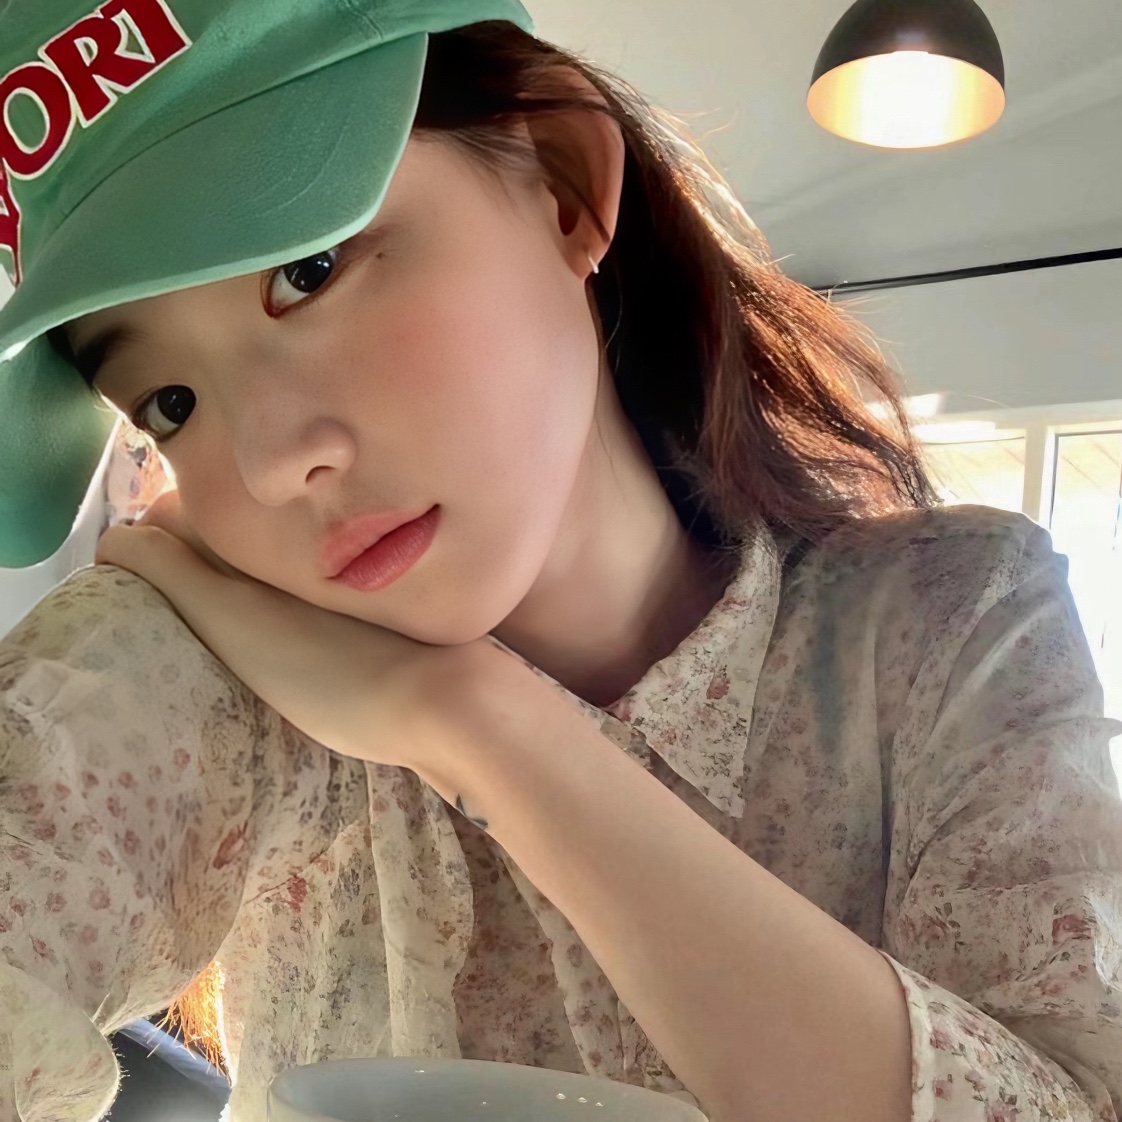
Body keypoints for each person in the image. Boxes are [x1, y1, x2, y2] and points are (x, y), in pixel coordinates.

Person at [1, 2, 1120, 1121]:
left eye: (311, 268)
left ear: (564, 185)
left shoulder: (948, 619)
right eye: (172, 402)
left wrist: (484, 731)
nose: (271, 463)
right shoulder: (214, 664)